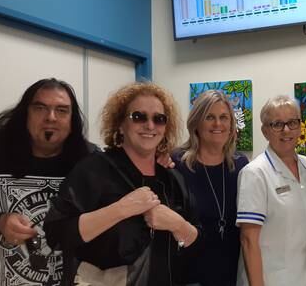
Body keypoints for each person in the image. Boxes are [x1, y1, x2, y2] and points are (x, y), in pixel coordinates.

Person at [44, 82, 198, 286]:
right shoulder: (94, 170)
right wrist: (120, 209)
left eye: (159, 119)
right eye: (138, 117)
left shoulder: (172, 179)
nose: (150, 125)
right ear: (120, 124)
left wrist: (176, 224)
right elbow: (58, 233)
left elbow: (195, 240)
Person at [0, 78, 93, 286]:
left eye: (62, 110)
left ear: (72, 121)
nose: (51, 118)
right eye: (40, 108)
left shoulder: (89, 161)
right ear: (25, 114)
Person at [236, 95, 306, 286]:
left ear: (300, 126)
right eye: (277, 124)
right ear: (265, 131)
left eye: (292, 122)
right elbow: (248, 240)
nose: (286, 130)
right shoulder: (255, 173)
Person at [172, 90, 249, 286]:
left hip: (232, 272)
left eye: (224, 117)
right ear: (196, 123)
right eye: (209, 117)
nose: (218, 124)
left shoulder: (241, 165)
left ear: (231, 124)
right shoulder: (176, 164)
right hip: (188, 274)